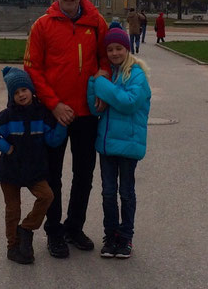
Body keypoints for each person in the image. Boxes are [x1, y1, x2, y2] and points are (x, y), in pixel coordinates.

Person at [24, 0, 109, 259]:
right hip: (55, 113)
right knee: (53, 177)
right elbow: (33, 69)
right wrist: (54, 104)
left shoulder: (96, 23)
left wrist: (102, 80)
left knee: (84, 175)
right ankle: (54, 231)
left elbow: (106, 58)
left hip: (86, 113)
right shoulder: (42, 25)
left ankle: (75, 227)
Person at [0, 66, 67, 265]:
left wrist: (62, 125)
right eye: (16, 92)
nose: (21, 95)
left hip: (34, 169)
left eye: (24, 90)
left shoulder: (42, 114)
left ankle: (26, 229)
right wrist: (6, 147)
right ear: (11, 95)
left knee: (47, 196)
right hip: (10, 170)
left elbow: (52, 141)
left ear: (31, 90)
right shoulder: (6, 116)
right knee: (12, 209)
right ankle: (13, 247)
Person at [87, 23, 151, 259]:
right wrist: (95, 84)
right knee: (107, 192)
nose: (114, 53)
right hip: (106, 145)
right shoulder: (109, 74)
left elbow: (127, 102)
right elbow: (93, 108)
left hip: (128, 144)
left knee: (126, 192)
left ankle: (126, 237)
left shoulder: (136, 75)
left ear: (127, 49)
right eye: (110, 49)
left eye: (119, 48)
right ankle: (111, 235)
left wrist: (100, 83)